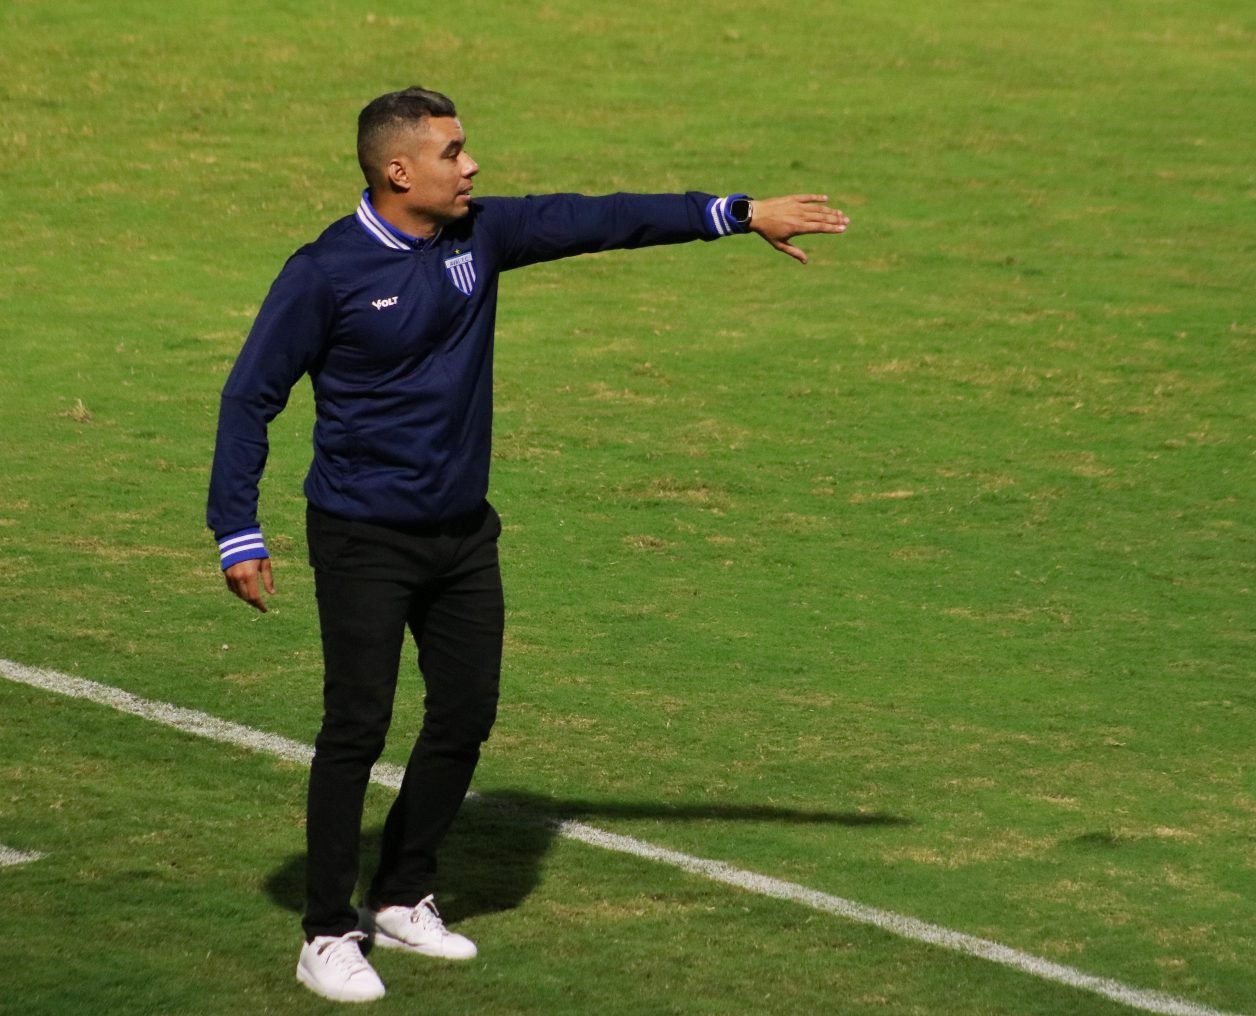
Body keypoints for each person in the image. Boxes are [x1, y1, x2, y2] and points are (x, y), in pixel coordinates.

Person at [207, 86, 849, 1003]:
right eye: (452, 152)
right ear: (399, 171)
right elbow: (249, 398)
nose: (471, 166)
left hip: (464, 534)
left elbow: (603, 219)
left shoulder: (480, 236)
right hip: (363, 538)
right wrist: (238, 530)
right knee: (356, 727)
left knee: (465, 713)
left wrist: (737, 215)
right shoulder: (325, 273)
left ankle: (400, 894)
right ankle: (324, 931)